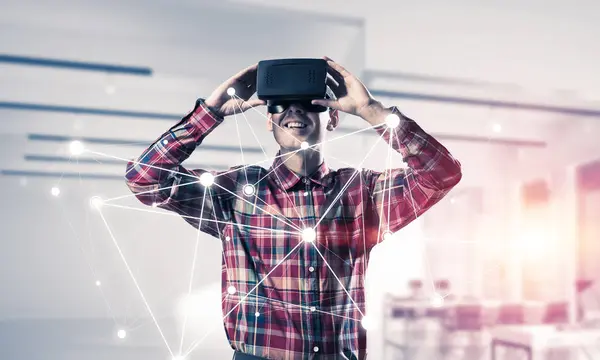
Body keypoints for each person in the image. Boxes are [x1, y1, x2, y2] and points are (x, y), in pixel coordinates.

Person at [125, 56, 462, 360]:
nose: (294, 111)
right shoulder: (237, 192)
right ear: (269, 123)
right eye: (280, 105)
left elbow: (442, 174)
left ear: (332, 119)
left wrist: (373, 111)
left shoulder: (362, 192)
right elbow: (143, 179)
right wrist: (209, 113)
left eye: (307, 103)